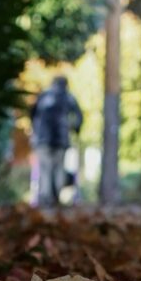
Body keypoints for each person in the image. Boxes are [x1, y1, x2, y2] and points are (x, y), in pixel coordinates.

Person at [29, 73, 83, 209]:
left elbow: (32, 113)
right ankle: (54, 197)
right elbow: (79, 117)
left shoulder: (44, 95)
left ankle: (46, 198)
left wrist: (35, 130)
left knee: (45, 169)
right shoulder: (68, 97)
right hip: (61, 139)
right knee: (58, 169)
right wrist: (75, 128)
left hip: (42, 140)